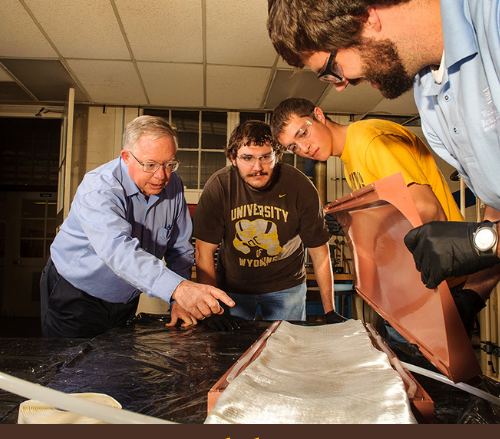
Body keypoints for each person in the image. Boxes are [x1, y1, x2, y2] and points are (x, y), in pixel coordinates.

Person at [266, 0, 500, 296]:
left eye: (332, 68)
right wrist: (475, 291)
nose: (340, 84)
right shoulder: (427, 92)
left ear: (366, 17)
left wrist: (483, 243)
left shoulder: (494, 10)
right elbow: (497, 198)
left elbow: (431, 213)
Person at [271, 97, 500, 336]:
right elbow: (393, 214)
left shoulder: (371, 141)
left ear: (318, 115)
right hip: (418, 282)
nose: (304, 148)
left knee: (429, 372)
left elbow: (425, 210)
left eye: (303, 133)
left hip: (445, 279)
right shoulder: (351, 159)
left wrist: (360, 226)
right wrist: (351, 224)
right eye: (294, 147)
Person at [40, 115, 234, 338]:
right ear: (126, 158)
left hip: (126, 298)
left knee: (117, 366)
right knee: (72, 368)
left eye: (169, 164)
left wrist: (177, 300)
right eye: (150, 165)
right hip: (75, 294)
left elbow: (179, 249)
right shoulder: (99, 188)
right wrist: (178, 289)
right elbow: (118, 250)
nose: (161, 176)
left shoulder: (174, 185)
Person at [193, 120, 343, 326]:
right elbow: (204, 251)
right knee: (231, 351)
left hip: (287, 286)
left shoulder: (299, 186)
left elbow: (320, 252)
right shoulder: (219, 186)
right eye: (247, 158)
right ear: (233, 158)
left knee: (287, 350)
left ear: (277, 156)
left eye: (265, 157)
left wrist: (330, 311)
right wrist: (211, 308)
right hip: (234, 288)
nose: (258, 167)